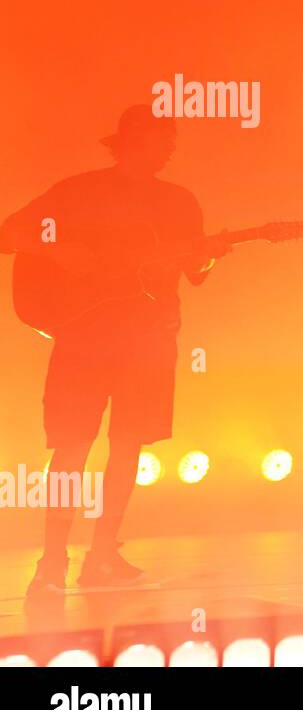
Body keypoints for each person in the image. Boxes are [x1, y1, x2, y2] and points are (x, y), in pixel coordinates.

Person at [0, 106, 230, 598]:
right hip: (84, 336)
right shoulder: (78, 192)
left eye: (172, 139)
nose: (170, 148)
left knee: (128, 446)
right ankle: (52, 559)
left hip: (148, 337)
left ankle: (101, 554)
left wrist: (208, 252)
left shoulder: (179, 202)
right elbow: (8, 234)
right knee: (72, 445)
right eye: (163, 138)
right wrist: (60, 253)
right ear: (131, 141)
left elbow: (197, 271)